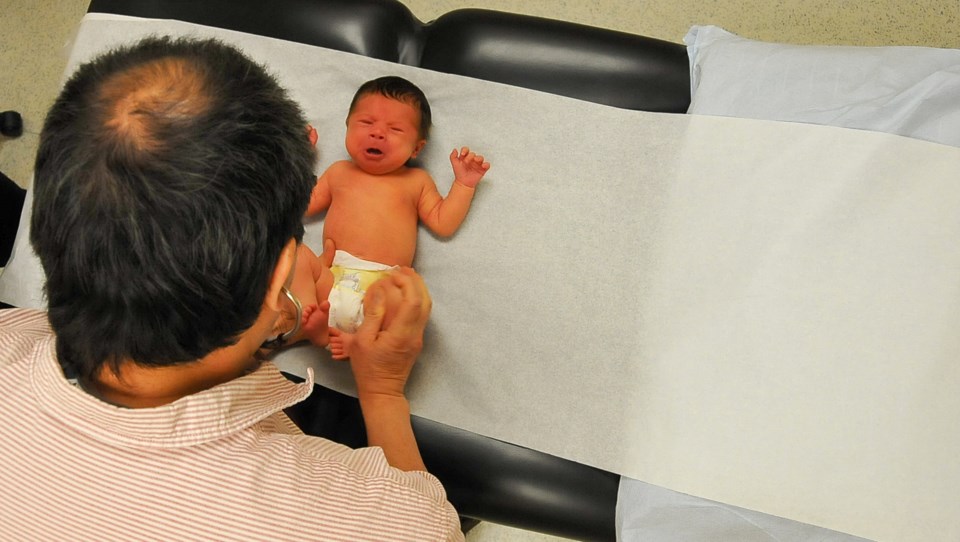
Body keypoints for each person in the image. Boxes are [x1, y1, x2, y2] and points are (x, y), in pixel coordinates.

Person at [0, 36, 464, 541]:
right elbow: (424, 520)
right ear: (279, 280)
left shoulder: (10, 336)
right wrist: (382, 394)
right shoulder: (370, 520)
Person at [304, 76, 490, 358]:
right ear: (347, 127)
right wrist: (301, 157)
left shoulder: (416, 181)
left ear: (416, 148)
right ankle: (316, 330)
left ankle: (359, 342)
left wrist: (463, 184)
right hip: (331, 273)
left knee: (408, 304)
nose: (377, 133)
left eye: (395, 129)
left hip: (383, 283)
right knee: (299, 260)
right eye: (366, 123)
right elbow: (302, 205)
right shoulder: (339, 171)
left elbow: (443, 222)